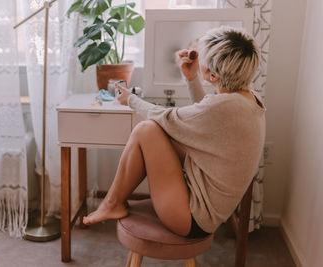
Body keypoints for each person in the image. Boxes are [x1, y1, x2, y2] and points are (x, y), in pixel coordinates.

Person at [83, 26, 265, 238]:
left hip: (192, 219)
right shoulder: (248, 99)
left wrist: (129, 99)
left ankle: (112, 203)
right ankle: (113, 202)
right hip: (204, 208)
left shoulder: (224, 107)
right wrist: (191, 78)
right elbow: (208, 122)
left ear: (213, 75)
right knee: (153, 131)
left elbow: (169, 118)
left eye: (201, 56)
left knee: (146, 129)